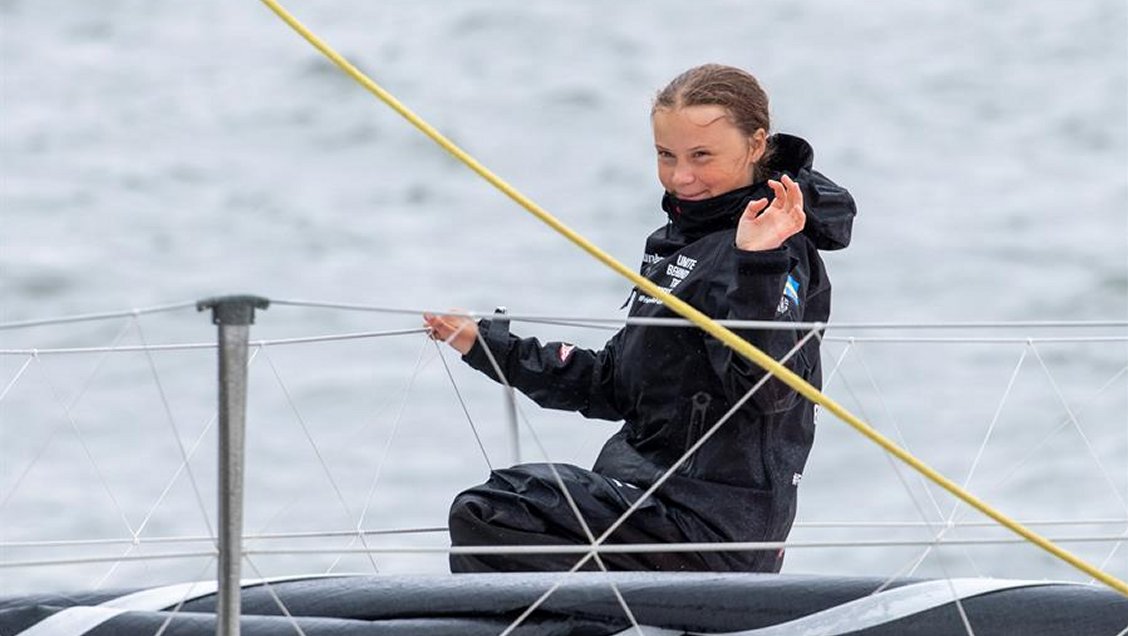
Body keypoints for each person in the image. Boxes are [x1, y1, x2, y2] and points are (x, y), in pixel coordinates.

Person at [424, 63, 856, 573]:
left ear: (756, 145)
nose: (681, 177)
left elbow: (767, 392)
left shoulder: (777, 247)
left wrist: (758, 261)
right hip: (645, 498)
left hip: (711, 526)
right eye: (665, 155)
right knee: (497, 517)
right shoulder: (679, 241)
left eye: (701, 156)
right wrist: (489, 347)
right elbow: (614, 385)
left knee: (494, 510)